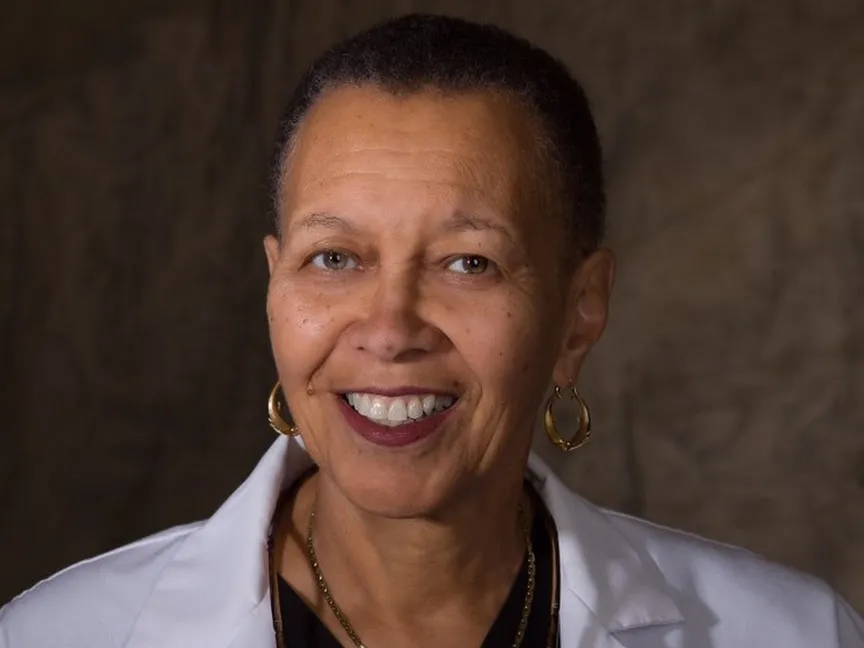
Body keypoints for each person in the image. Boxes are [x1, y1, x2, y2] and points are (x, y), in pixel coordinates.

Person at [1, 13, 862, 648]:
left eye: (468, 263)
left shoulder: (793, 634)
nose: (389, 328)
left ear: (579, 312)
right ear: (275, 285)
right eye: (334, 258)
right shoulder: (57, 635)